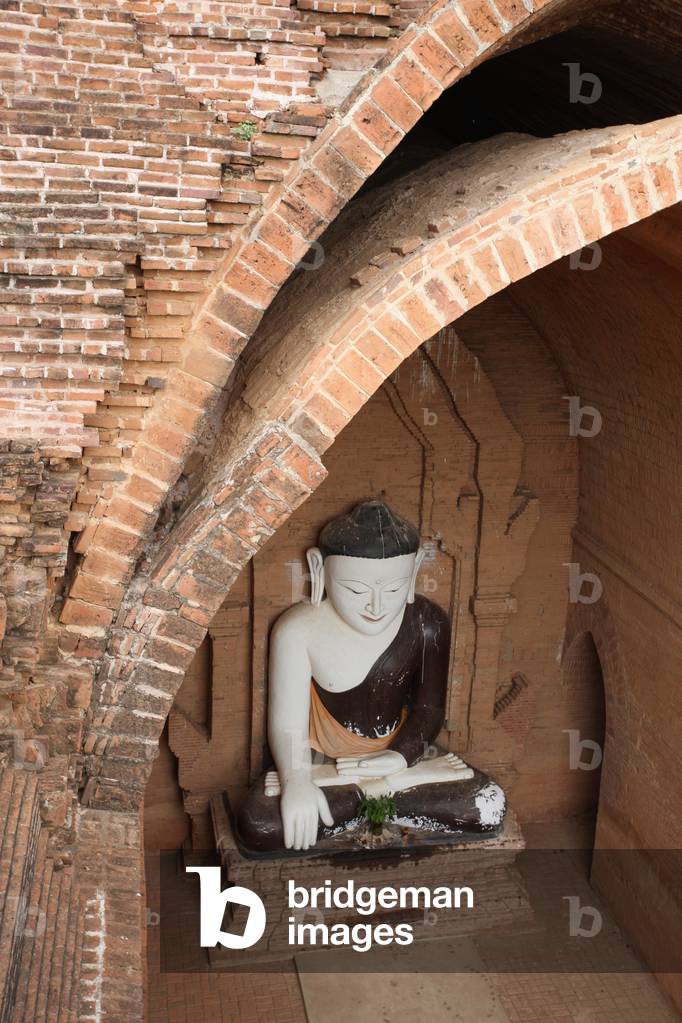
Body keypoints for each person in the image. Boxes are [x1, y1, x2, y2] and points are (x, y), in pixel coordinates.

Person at [237, 501, 506, 852]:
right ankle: (380, 795)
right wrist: (297, 780)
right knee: (263, 825)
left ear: (412, 574)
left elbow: (429, 711)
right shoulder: (298, 630)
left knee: (487, 804)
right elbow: (288, 726)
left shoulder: (427, 622)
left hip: (400, 757)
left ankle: (371, 795)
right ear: (319, 568)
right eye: (356, 590)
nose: (376, 607)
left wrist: (398, 758)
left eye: (393, 590)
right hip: (326, 763)